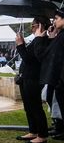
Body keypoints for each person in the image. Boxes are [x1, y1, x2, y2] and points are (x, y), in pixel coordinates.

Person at [15, 17, 50, 143]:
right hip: (26, 77)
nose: (32, 28)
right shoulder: (37, 40)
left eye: (34, 25)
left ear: (41, 26)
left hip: (34, 78)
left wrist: (20, 46)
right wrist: (23, 44)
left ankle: (42, 135)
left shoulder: (43, 40)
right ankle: (33, 131)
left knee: (35, 106)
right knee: (28, 106)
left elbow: (30, 59)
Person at [34, 9, 64, 140]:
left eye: (57, 18)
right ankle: (60, 128)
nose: (54, 21)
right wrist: (52, 39)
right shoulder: (60, 36)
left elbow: (44, 55)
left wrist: (39, 39)